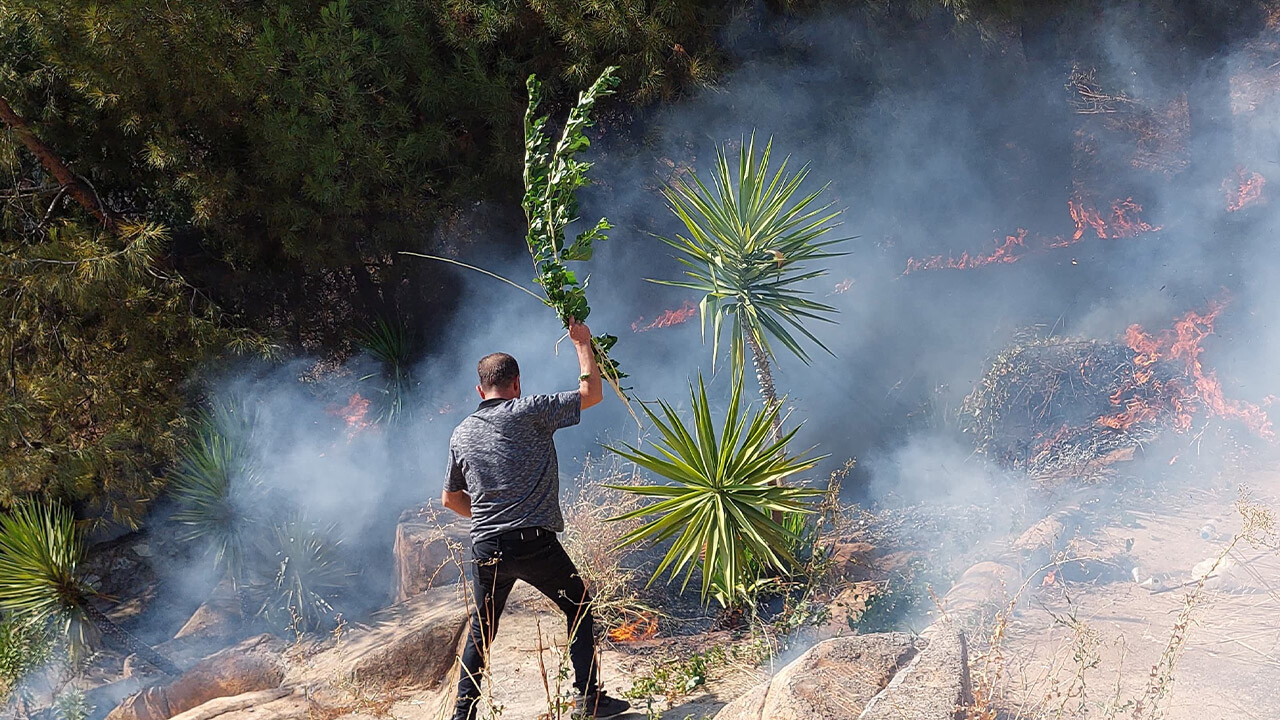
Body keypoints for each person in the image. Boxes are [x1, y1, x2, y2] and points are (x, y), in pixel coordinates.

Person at [442, 319, 631, 720]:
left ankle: (462, 715)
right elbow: (592, 392)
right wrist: (583, 345)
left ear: (480, 390)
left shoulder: (461, 432)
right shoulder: (531, 410)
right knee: (578, 607)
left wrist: (490, 519)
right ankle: (589, 699)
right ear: (517, 384)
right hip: (534, 543)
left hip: (487, 548)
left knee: (482, 631)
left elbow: (449, 499)